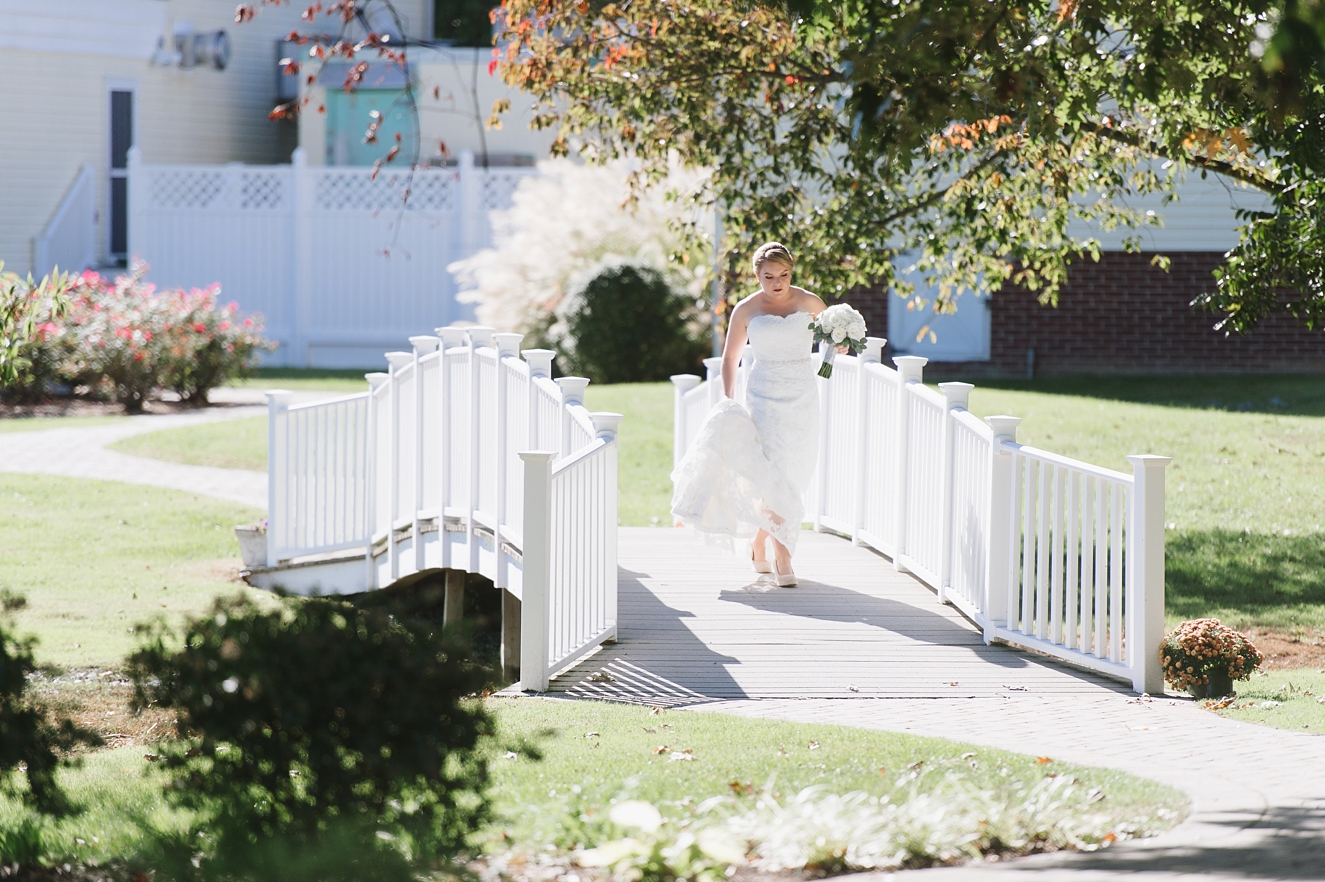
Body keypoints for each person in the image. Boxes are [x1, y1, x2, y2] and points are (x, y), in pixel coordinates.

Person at [670, 242, 829, 586]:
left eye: (784, 275)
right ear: (757, 275)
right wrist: (729, 399)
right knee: (770, 471)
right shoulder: (746, 309)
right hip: (764, 397)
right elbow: (730, 359)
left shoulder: (811, 303)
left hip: (802, 397)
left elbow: (831, 340)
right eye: (769, 276)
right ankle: (782, 554)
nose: (778, 282)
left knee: (791, 474)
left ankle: (759, 544)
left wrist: (839, 345)